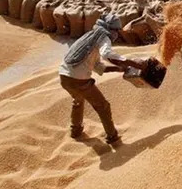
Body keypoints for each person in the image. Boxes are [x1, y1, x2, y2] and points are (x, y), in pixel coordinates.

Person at [59, 14, 146, 143]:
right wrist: (133, 63)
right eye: (116, 31)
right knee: (103, 106)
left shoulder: (89, 37)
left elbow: (96, 66)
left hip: (64, 77)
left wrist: (118, 69)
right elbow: (107, 54)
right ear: (112, 29)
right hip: (79, 80)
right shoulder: (104, 37)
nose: (117, 34)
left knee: (78, 100)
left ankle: (75, 130)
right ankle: (112, 136)